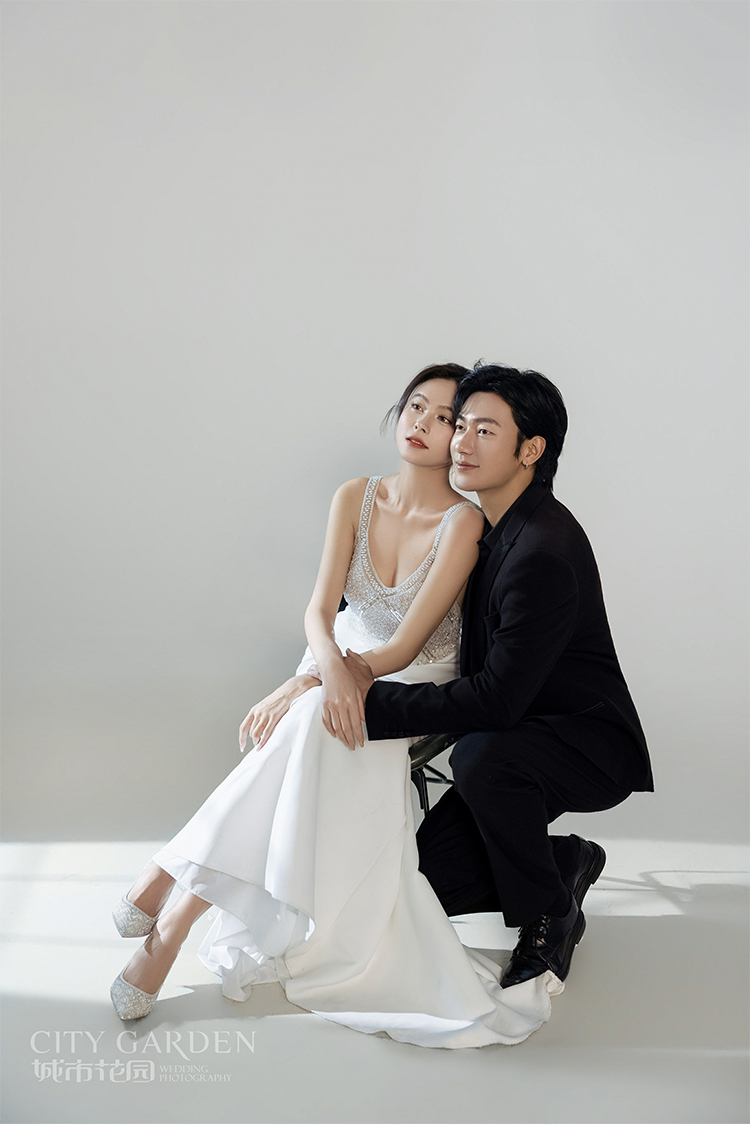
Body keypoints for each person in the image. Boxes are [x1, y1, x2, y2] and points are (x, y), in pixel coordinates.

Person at [110, 363, 565, 1049]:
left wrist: (318, 686)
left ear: (460, 438)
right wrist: (313, 676)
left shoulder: (464, 523)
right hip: (335, 657)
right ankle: (169, 910)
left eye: (446, 418)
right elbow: (321, 612)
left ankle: (168, 898)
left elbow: (404, 646)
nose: (423, 424)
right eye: (415, 406)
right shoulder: (356, 494)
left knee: (308, 725)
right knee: (308, 723)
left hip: (410, 677)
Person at [344, 363, 653, 989]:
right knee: (426, 881)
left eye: (485, 431)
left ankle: (549, 918)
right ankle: (563, 861)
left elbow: (498, 700)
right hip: (519, 737)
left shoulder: (542, 550)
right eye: (460, 425)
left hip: (582, 743)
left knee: (482, 756)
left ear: (530, 450)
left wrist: (371, 702)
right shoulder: (489, 527)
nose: (461, 442)